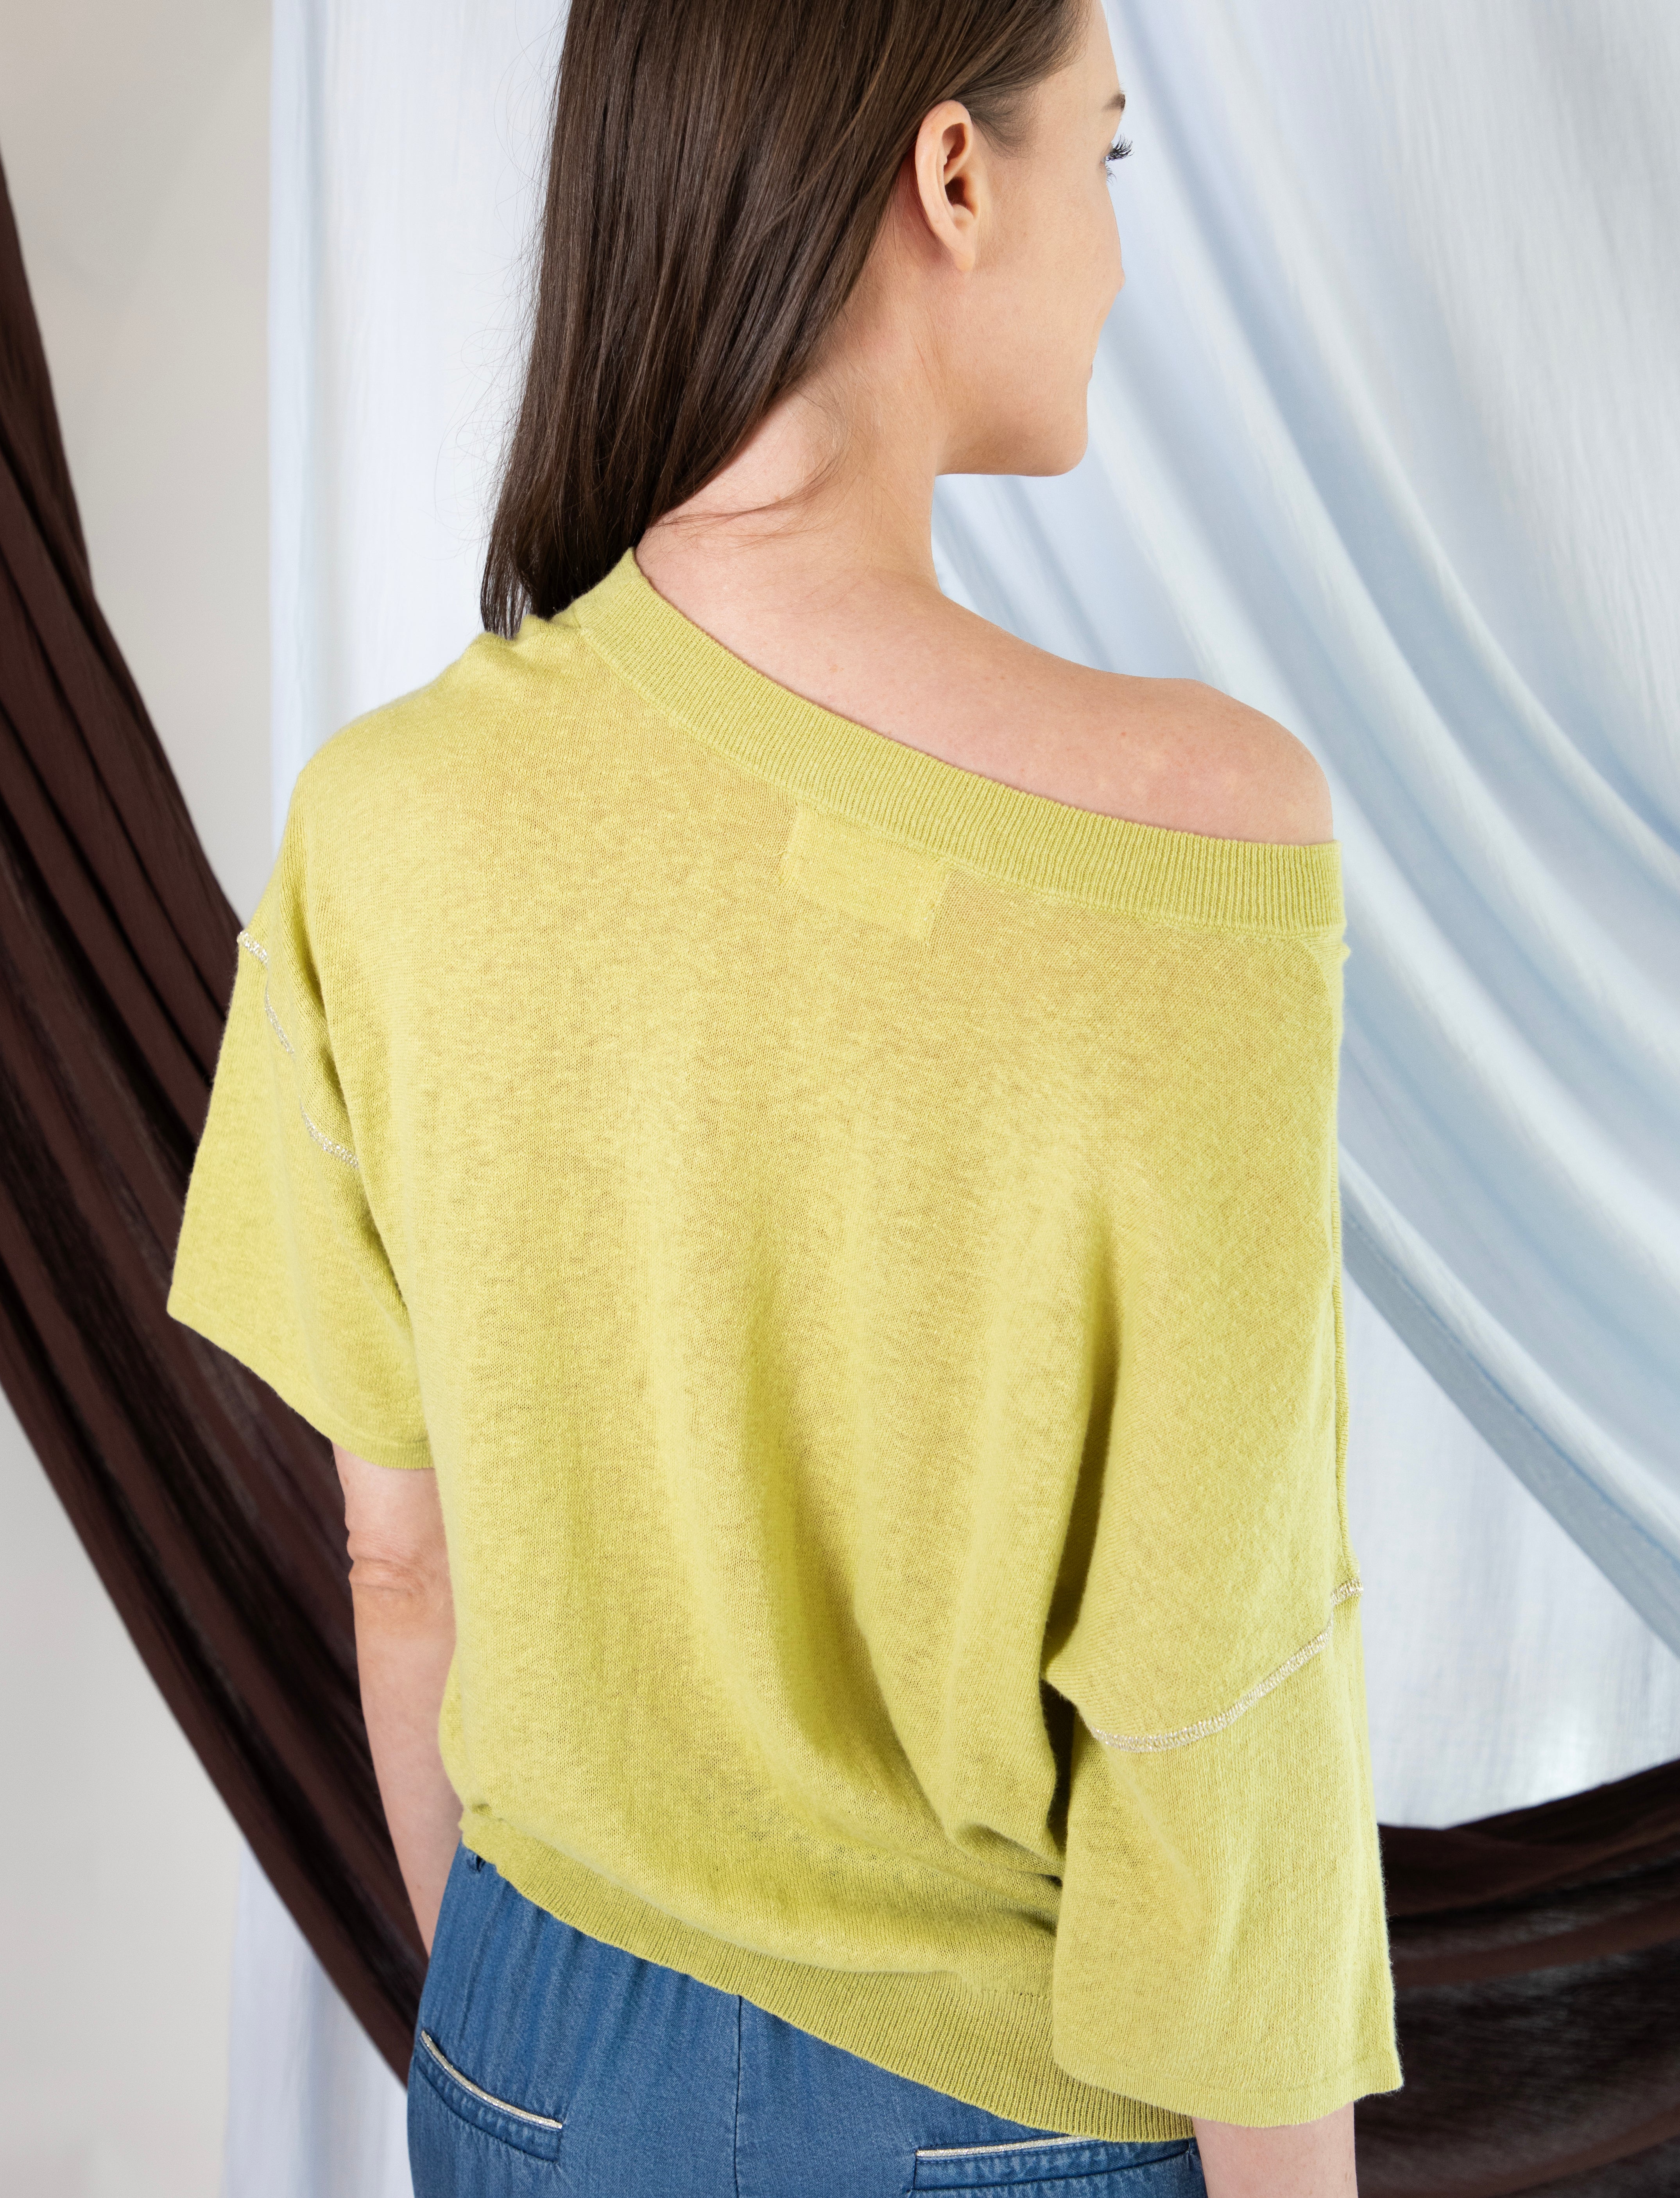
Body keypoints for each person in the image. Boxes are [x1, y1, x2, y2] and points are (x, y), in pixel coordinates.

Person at [168, 0, 1402, 2189]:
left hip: (527, 2043)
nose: (1117, 248)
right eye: (1106, 156)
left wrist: (544, 2067)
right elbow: (1220, 1705)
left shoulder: (382, 819)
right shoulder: (1195, 837)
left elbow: (399, 1563)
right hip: (989, 2102)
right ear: (955, 176)